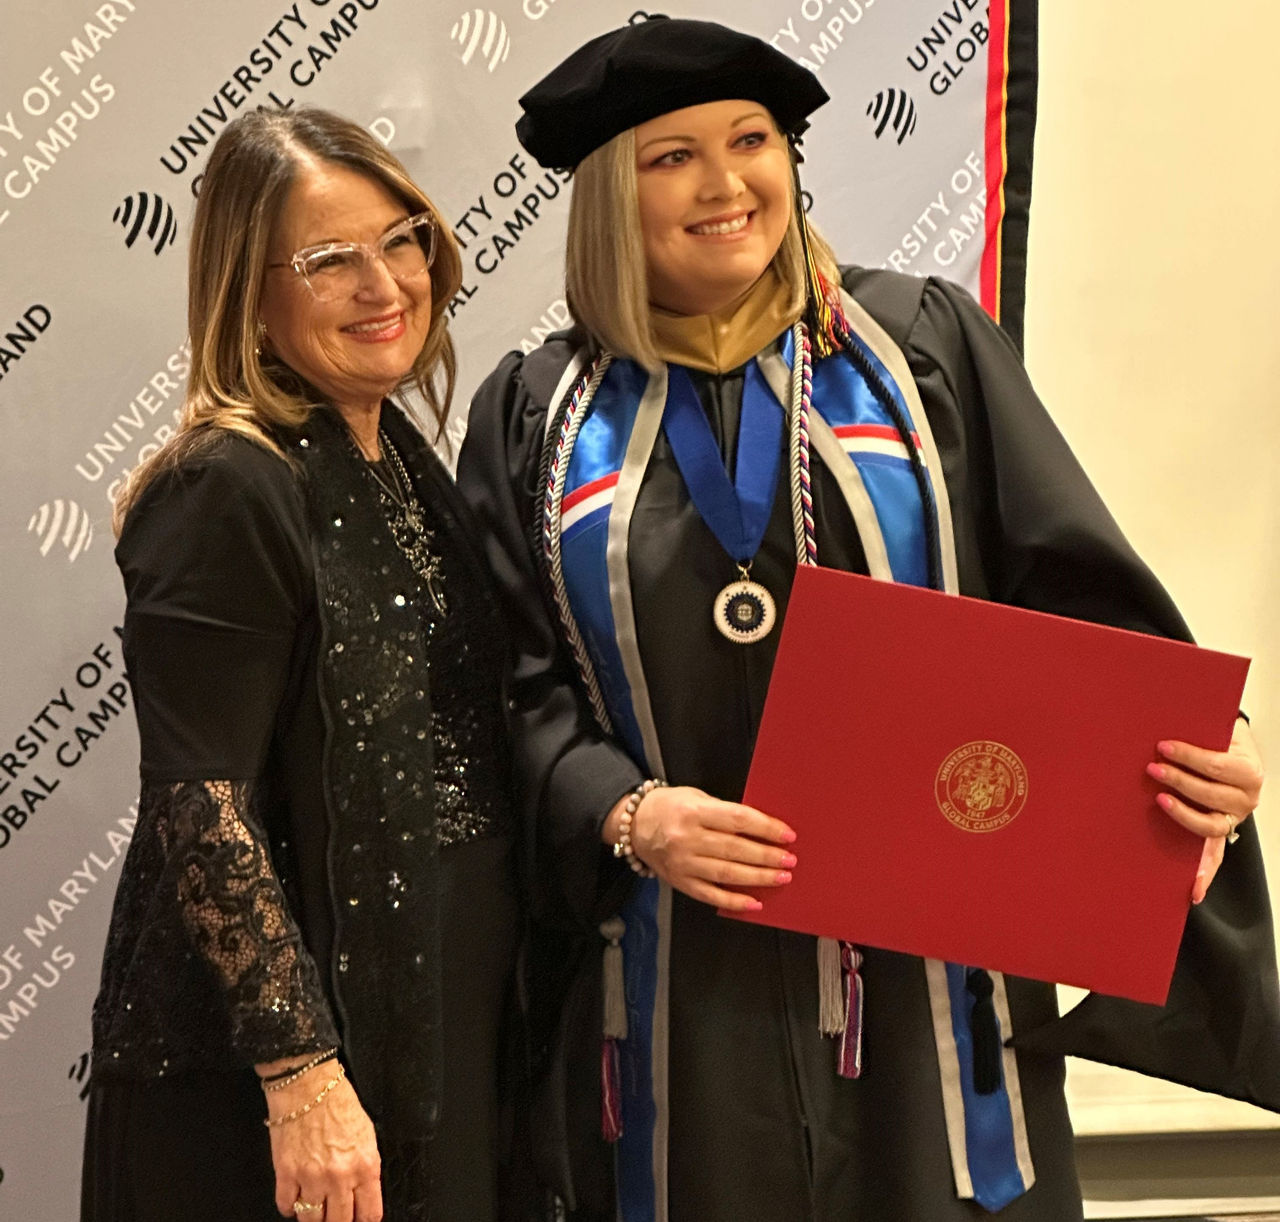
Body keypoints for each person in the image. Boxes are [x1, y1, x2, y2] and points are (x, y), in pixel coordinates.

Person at [457, 16, 1279, 1221]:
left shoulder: (922, 349)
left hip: (928, 962)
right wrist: (627, 815)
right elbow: (510, 687)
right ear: (602, 199)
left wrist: (1211, 744)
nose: (725, 181)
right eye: (670, 155)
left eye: (750, 139)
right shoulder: (538, 413)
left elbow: (1080, 595)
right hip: (688, 964)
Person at [83, 108, 520, 1222]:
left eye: (401, 238)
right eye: (330, 259)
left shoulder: (399, 459)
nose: (384, 283)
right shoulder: (227, 483)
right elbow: (202, 804)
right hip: (264, 1080)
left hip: (422, 1031)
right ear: (251, 290)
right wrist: (302, 1080)